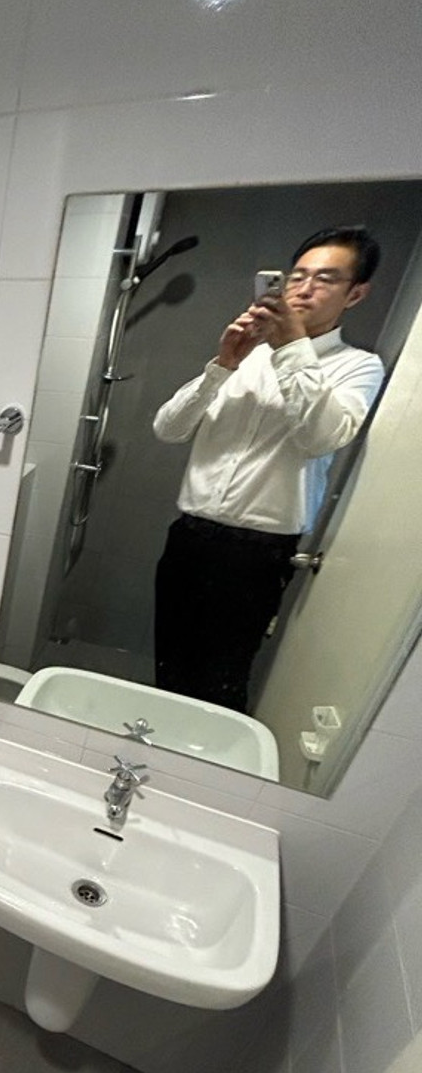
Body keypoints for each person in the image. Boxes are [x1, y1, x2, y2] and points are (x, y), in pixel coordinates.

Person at [151, 225, 385, 713]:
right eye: (297, 275)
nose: (304, 288)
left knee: (222, 680)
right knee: (170, 661)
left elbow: (321, 437)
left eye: (325, 279)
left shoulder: (358, 366)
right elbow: (168, 428)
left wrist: (291, 347)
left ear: (355, 294)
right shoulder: (245, 357)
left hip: (257, 554)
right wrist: (222, 366)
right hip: (190, 537)